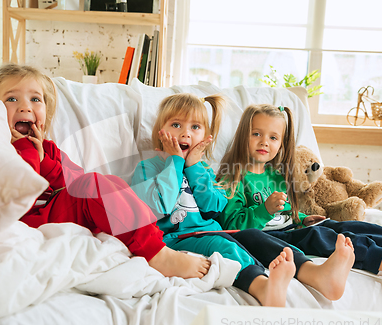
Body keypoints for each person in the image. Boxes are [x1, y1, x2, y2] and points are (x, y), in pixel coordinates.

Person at [0, 63, 213, 280]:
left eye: (35, 99)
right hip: (30, 219)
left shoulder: (49, 149)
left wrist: (46, 160)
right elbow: (17, 192)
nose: (26, 107)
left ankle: (151, 237)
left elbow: (74, 180)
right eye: (12, 99)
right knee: (93, 186)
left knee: (103, 182)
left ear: (46, 110)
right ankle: (157, 254)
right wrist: (25, 149)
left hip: (56, 210)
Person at [130, 92, 354, 306]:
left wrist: (193, 167)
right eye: (176, 125)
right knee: (224, 245)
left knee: (252, 239)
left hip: (213, 231)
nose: (186, 134)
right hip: (175, 238)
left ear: (205, 137)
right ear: (161, 132)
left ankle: (301, 276)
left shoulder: (203, 170)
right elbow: (159, 205)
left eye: (195, 127)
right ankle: (262, 288)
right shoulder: (147, 168)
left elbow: (214, 208)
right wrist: (175, 162)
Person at [216, 103, 382, 285]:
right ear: (244, 134)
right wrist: (264, 210)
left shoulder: (276, 175)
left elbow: (287, 213)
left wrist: (302, 218)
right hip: (271, 236)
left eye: (273, 137)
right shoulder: (232, 177)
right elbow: (233, 227)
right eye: (257, 134)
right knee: (320, 237)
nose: (264, 141)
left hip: (292, 226)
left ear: (281, 144)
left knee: (340, 227)